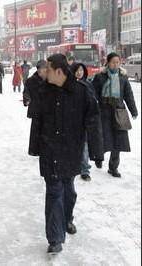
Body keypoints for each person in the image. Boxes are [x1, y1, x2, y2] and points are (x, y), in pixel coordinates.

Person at [29, 54, 103, 254]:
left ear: (59, 72)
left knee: (68, 190)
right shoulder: (43, 91)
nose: (45, 72)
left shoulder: (82, 92)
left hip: (72, 150)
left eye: (49, 69)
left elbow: (93, 121)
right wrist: (34, 147)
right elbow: (37, 121)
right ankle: (55, 238)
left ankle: (67, 218)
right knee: (54, 191)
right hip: (49, 149)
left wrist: (96, 152)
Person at [92, 52, 138, 178]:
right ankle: (98, 157)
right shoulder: (100, 77)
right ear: (108, 62)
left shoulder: (123, 78)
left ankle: (113, 167)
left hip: (118, 111)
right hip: (104, 111)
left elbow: (128, 95)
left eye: (118, 62)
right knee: (102, 137)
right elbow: (93, 93)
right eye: (113, 62)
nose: (116, 64)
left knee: (118, 140)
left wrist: (133, 111)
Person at [71, 62, 96, 181]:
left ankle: (84, 170)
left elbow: (93, 103)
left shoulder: (88, 85)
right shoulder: (69, 85)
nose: (79, 72)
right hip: (71, 122)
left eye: (81, 70)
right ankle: (73, 166)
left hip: (84, 121)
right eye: (77, 70)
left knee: (84, 146)